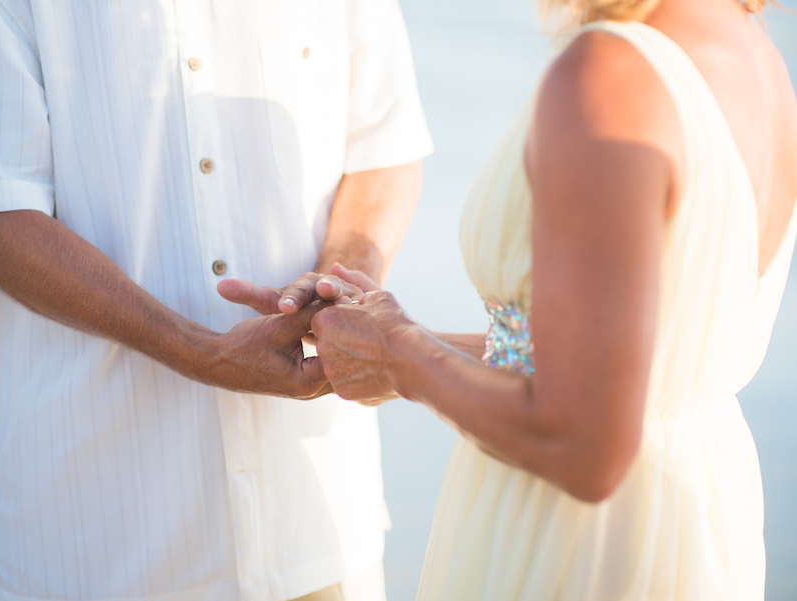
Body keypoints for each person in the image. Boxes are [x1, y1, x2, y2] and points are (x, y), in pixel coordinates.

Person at [0, 1, 433, 600]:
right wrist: (201, 352)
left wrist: (337, 292)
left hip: (318, 529)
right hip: (94, 549)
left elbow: (382, 142)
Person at [286, 0, 797, 597]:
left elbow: (584, 444)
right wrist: (392, 337)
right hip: (699, 524)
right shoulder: (752, 50)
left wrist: (401, 358)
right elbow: (616, 363)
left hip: (581, 548)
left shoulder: (610, 72)